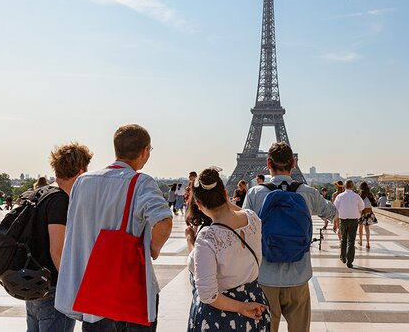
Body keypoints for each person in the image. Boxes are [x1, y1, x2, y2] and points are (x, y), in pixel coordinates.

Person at [55, 124, 173, 331]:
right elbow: (163, 221)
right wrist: (153, 249)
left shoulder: (83, 182)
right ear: (145, 151)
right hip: (130, 294)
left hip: (92, 292)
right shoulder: (140, 182)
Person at [243, 142, 338, 332]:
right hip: (299, 276)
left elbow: (244, 231)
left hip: (265, 277)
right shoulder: (308, 193)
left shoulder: (255, 193)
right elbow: (333, 212)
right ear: (293, 163)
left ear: (268, 163)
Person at [185, 168, 270, 331]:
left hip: (219, 317)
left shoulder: (207, 238)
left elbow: (208, 295)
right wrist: (223, 199)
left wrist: (190, 240)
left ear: (199, 205)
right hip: (254, 303)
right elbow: (238, 211)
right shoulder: (253, 219)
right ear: (225, 193)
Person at [25, 142, 93, 332]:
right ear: (81, 171)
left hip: (33, 284)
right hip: (53, 289)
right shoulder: (60, 200)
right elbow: (57, 252)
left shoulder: (37, 193)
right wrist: (71, 289)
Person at [333, 180, 364, 268]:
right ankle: (350, 261)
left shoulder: (340, 196)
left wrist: (335, 222)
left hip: (343, 220)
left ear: (344, 186)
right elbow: (362, 207)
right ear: (352, 186)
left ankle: (343, 257)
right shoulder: (357, 196)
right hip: (354, 220)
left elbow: (335, 208)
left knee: (343, 239)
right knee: (351, 241)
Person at [357, 182, 377, 249]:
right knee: (367, 228)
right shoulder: (370, 194)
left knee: (360, 227)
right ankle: (368, 243)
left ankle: (360, 241)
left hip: (362, 212)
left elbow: (358, 204)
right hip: (368, 212)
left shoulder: (360, 194)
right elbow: (374, 204)